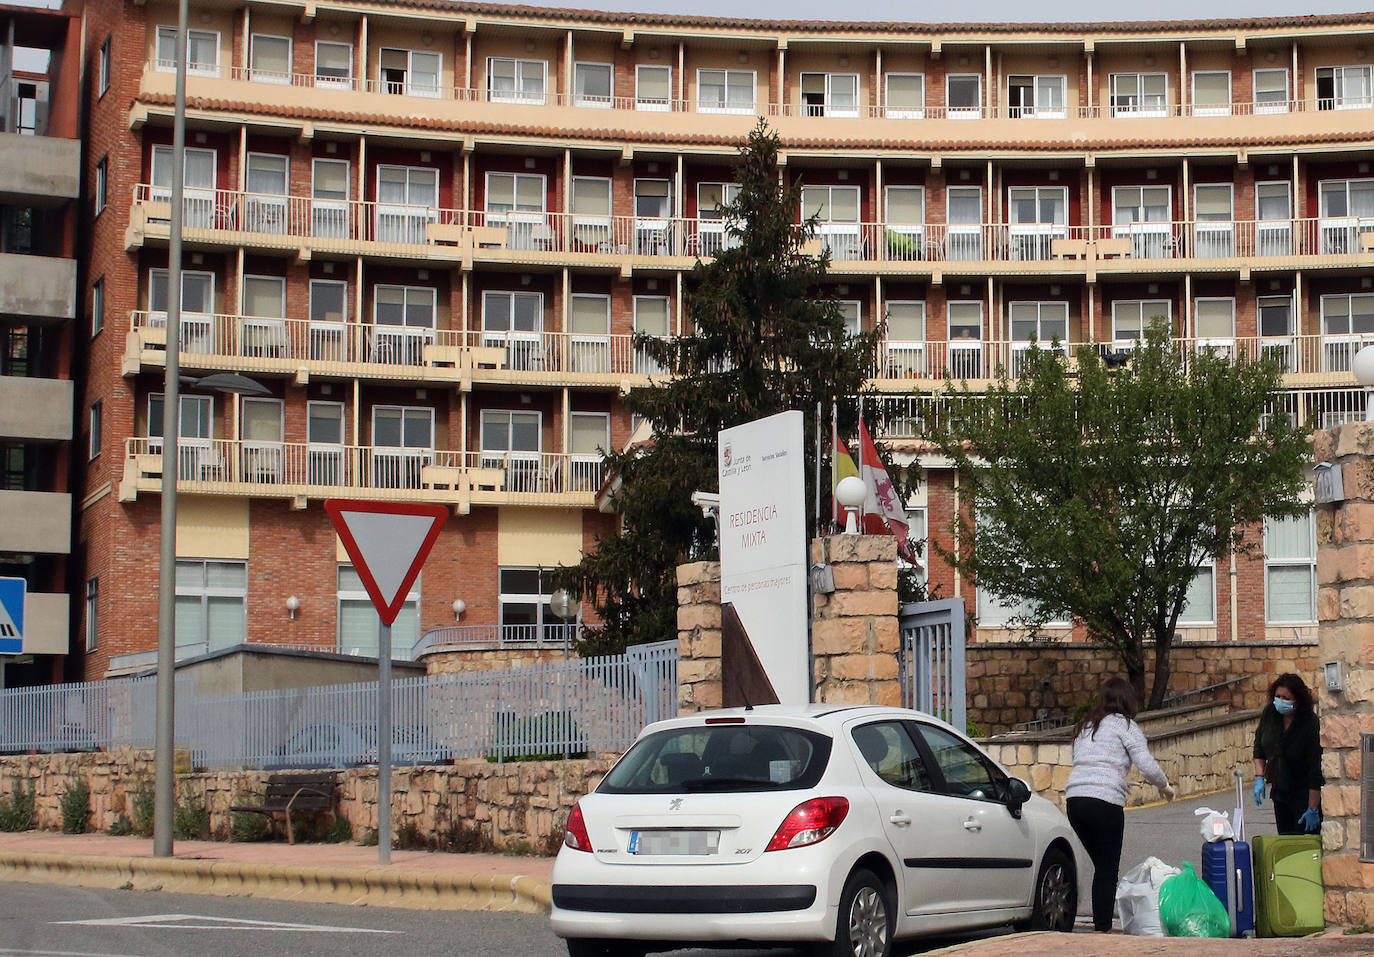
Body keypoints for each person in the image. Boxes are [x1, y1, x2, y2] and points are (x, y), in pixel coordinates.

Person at [1065, 677, 1176, 934]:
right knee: (1107, 869)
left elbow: (1083, 761)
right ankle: (1102, 928)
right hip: (1105, 802)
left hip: (1075, 801)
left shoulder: (1085, 727)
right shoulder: (1125, 726)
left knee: (1101, 867)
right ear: (1128, 700)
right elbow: (1146, 765)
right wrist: (1164, 786)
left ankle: (1099, 923)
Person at [1253, 673, 1324, 835]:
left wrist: (1312, 807)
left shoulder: (1310, 724)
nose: (1280, 701)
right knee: (1284, 839)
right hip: (1280, 792)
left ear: (1297, 700)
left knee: (1302, 844)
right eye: (1278, 696)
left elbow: (1316, 770)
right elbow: (1259, 747)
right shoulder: (1270, 713)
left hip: (1303, 793)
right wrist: (1259, 777)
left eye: (1286, 698)